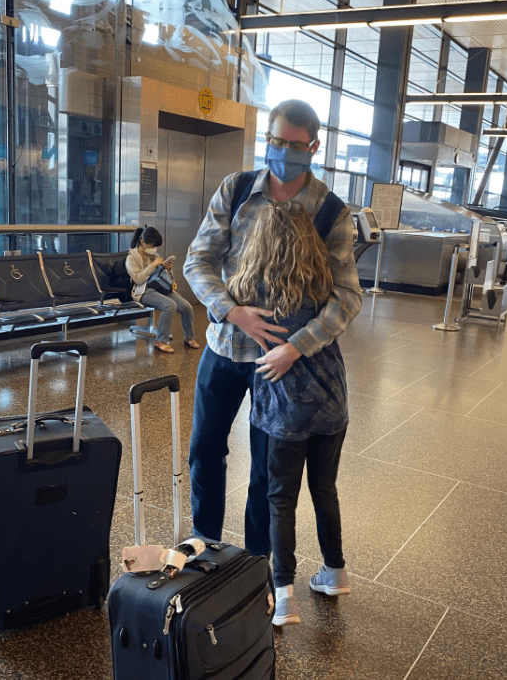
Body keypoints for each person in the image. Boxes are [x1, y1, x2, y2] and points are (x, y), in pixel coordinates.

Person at [183, 99, 362, 558]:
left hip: (283, 363)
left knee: (267, 472)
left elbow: (347, 297)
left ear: (314, 147)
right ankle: (205, 540)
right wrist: (230, 310)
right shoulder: (238, 188)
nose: (284, 152)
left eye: (295, 145)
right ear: (267, 139)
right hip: (225, 346)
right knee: (205, 449)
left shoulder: (331, 212)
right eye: (276, 141)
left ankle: (257, 564)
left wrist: (298, 348)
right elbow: (198, 260)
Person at [226, 200, 352, 626]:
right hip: (332, 400)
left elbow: (219, 308)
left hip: (284, 409)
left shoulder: (252, 287)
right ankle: (335, 572)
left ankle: (284, 596)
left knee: (280, 499)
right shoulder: (324, 283)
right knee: (324, 489)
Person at [126, 226, 200, 353]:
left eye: (155, 247)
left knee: (187, 307)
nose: (154, 249)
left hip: (161, 288)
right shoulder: (132, 258)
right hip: (143, 291)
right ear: (143, 243)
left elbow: (162, 275)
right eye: (151, 246)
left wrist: (168, 268)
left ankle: (189, 337)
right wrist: (152, 266)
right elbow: (138, 279)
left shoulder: (155, 254)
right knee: (169, 305)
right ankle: (161, 341)